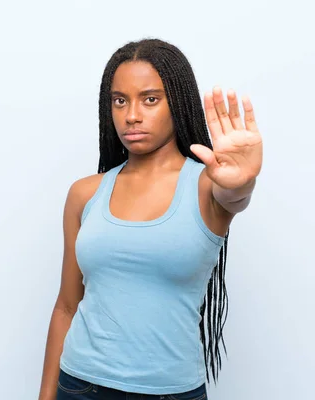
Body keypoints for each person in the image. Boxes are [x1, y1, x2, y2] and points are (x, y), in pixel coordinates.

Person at [38, 38, 263, 400]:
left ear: (178, 102)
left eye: (150, 99)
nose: (131, 115)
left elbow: (234, 195)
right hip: (80, 385)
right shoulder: (85, 193)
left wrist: (244, 181)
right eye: (120, 100)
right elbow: (66, 305)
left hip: (170, 393)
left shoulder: (208, 186)